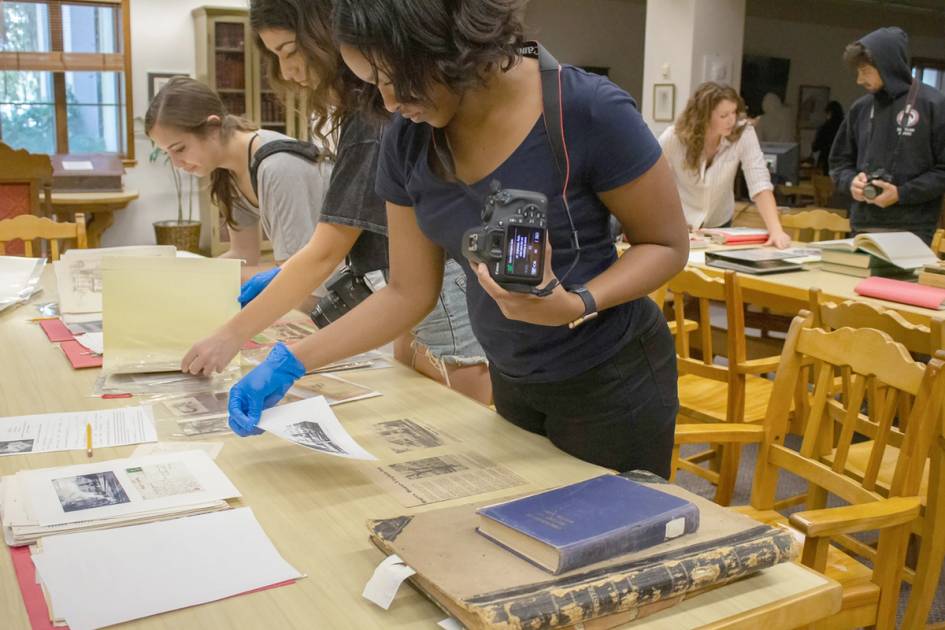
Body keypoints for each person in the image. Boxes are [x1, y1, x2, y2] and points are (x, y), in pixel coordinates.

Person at [226, 0, 690, 478]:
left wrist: (580, 302)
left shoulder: (587, 110)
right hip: (514, 378)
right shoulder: (406, 138)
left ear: (444, 45)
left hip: (610, 379)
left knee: (610, 538)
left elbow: (666, 244)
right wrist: (292, 362)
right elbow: (409, 292)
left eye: (394, 79)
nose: (388, 103)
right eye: (374, 85)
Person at [180, 0, 492, 405]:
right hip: (403, 288)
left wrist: (231, 336)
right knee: (418, 401)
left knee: (460, 417)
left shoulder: (376, 118)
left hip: (436, 294)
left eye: (289, 52)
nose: (288, 72)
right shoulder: (368, 114)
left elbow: (326, 250)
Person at [146, 77, 329, 283]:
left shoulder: (276, 167)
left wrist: (202, 274)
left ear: (213, 127)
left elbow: (296, 273)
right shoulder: (228, 170)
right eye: (167, 153)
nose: (176, 163)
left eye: (180, 149)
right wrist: (191, 273)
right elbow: (243, 254)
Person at [830, 26, 945, 245]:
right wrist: (850, 182)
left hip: (915, 227)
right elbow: (838, 163)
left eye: (865, 71)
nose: (859, 80)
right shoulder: (860, 108)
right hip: (862, 224)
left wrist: (902, 193)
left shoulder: (934, 104)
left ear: (887, 66)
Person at [659, 82, 792, 248]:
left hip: (719, 227)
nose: (732, 120)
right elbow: (653, 183)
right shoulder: (673, 137)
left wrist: (776, 230)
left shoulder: (744, 133)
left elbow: (759, 183)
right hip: (680, 226)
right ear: (702, 116)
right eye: (723, 115)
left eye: (734, 112)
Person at [811, 101, 844, 176]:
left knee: (825, 184)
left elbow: (815, 147)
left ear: (830, 113)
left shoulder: (825, 127)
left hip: (827, 161)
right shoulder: (846, 126)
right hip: (843, 163)